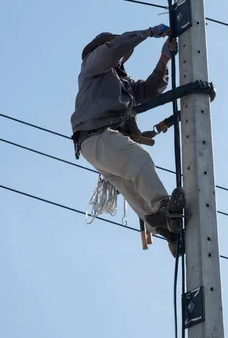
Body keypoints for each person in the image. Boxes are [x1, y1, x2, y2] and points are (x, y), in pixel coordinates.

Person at [71, 25, 185, 256]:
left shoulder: (122, 84)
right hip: (96, 136)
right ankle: (163, 206)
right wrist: (148, 32)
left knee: (132, 186)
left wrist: (164, 59)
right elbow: (114, 49)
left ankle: (167, 230)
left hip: (99, 143)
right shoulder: (92, 65)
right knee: (140, 161)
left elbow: (148, 90)